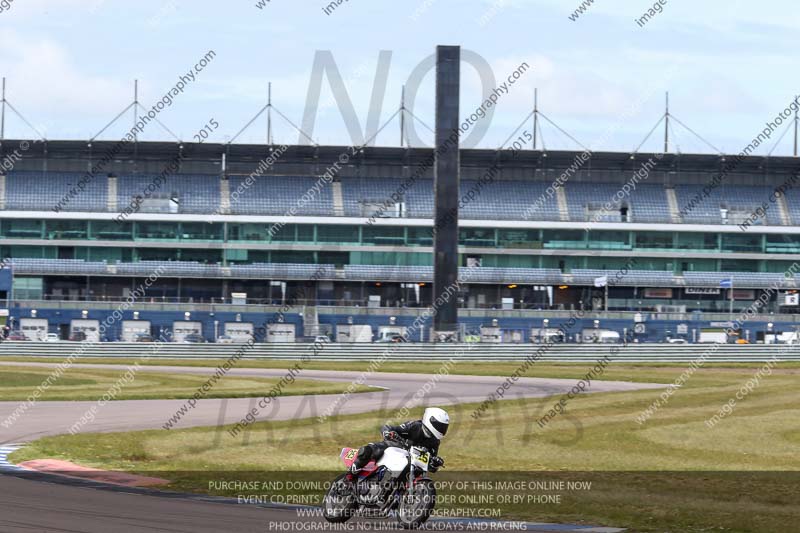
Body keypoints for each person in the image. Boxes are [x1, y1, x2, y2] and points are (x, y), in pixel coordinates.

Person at [348, 407, 449, 479]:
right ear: (430, 420)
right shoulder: (415, 426)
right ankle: (353, 471)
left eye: (444, 427)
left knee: (418, 474)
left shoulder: (435, 441)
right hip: (396, 448)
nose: (442, 429)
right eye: (440, 426)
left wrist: (435, 463)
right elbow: (389, 427)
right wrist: (388, 433)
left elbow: (429, 463)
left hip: (410, 464)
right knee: (372, 450)